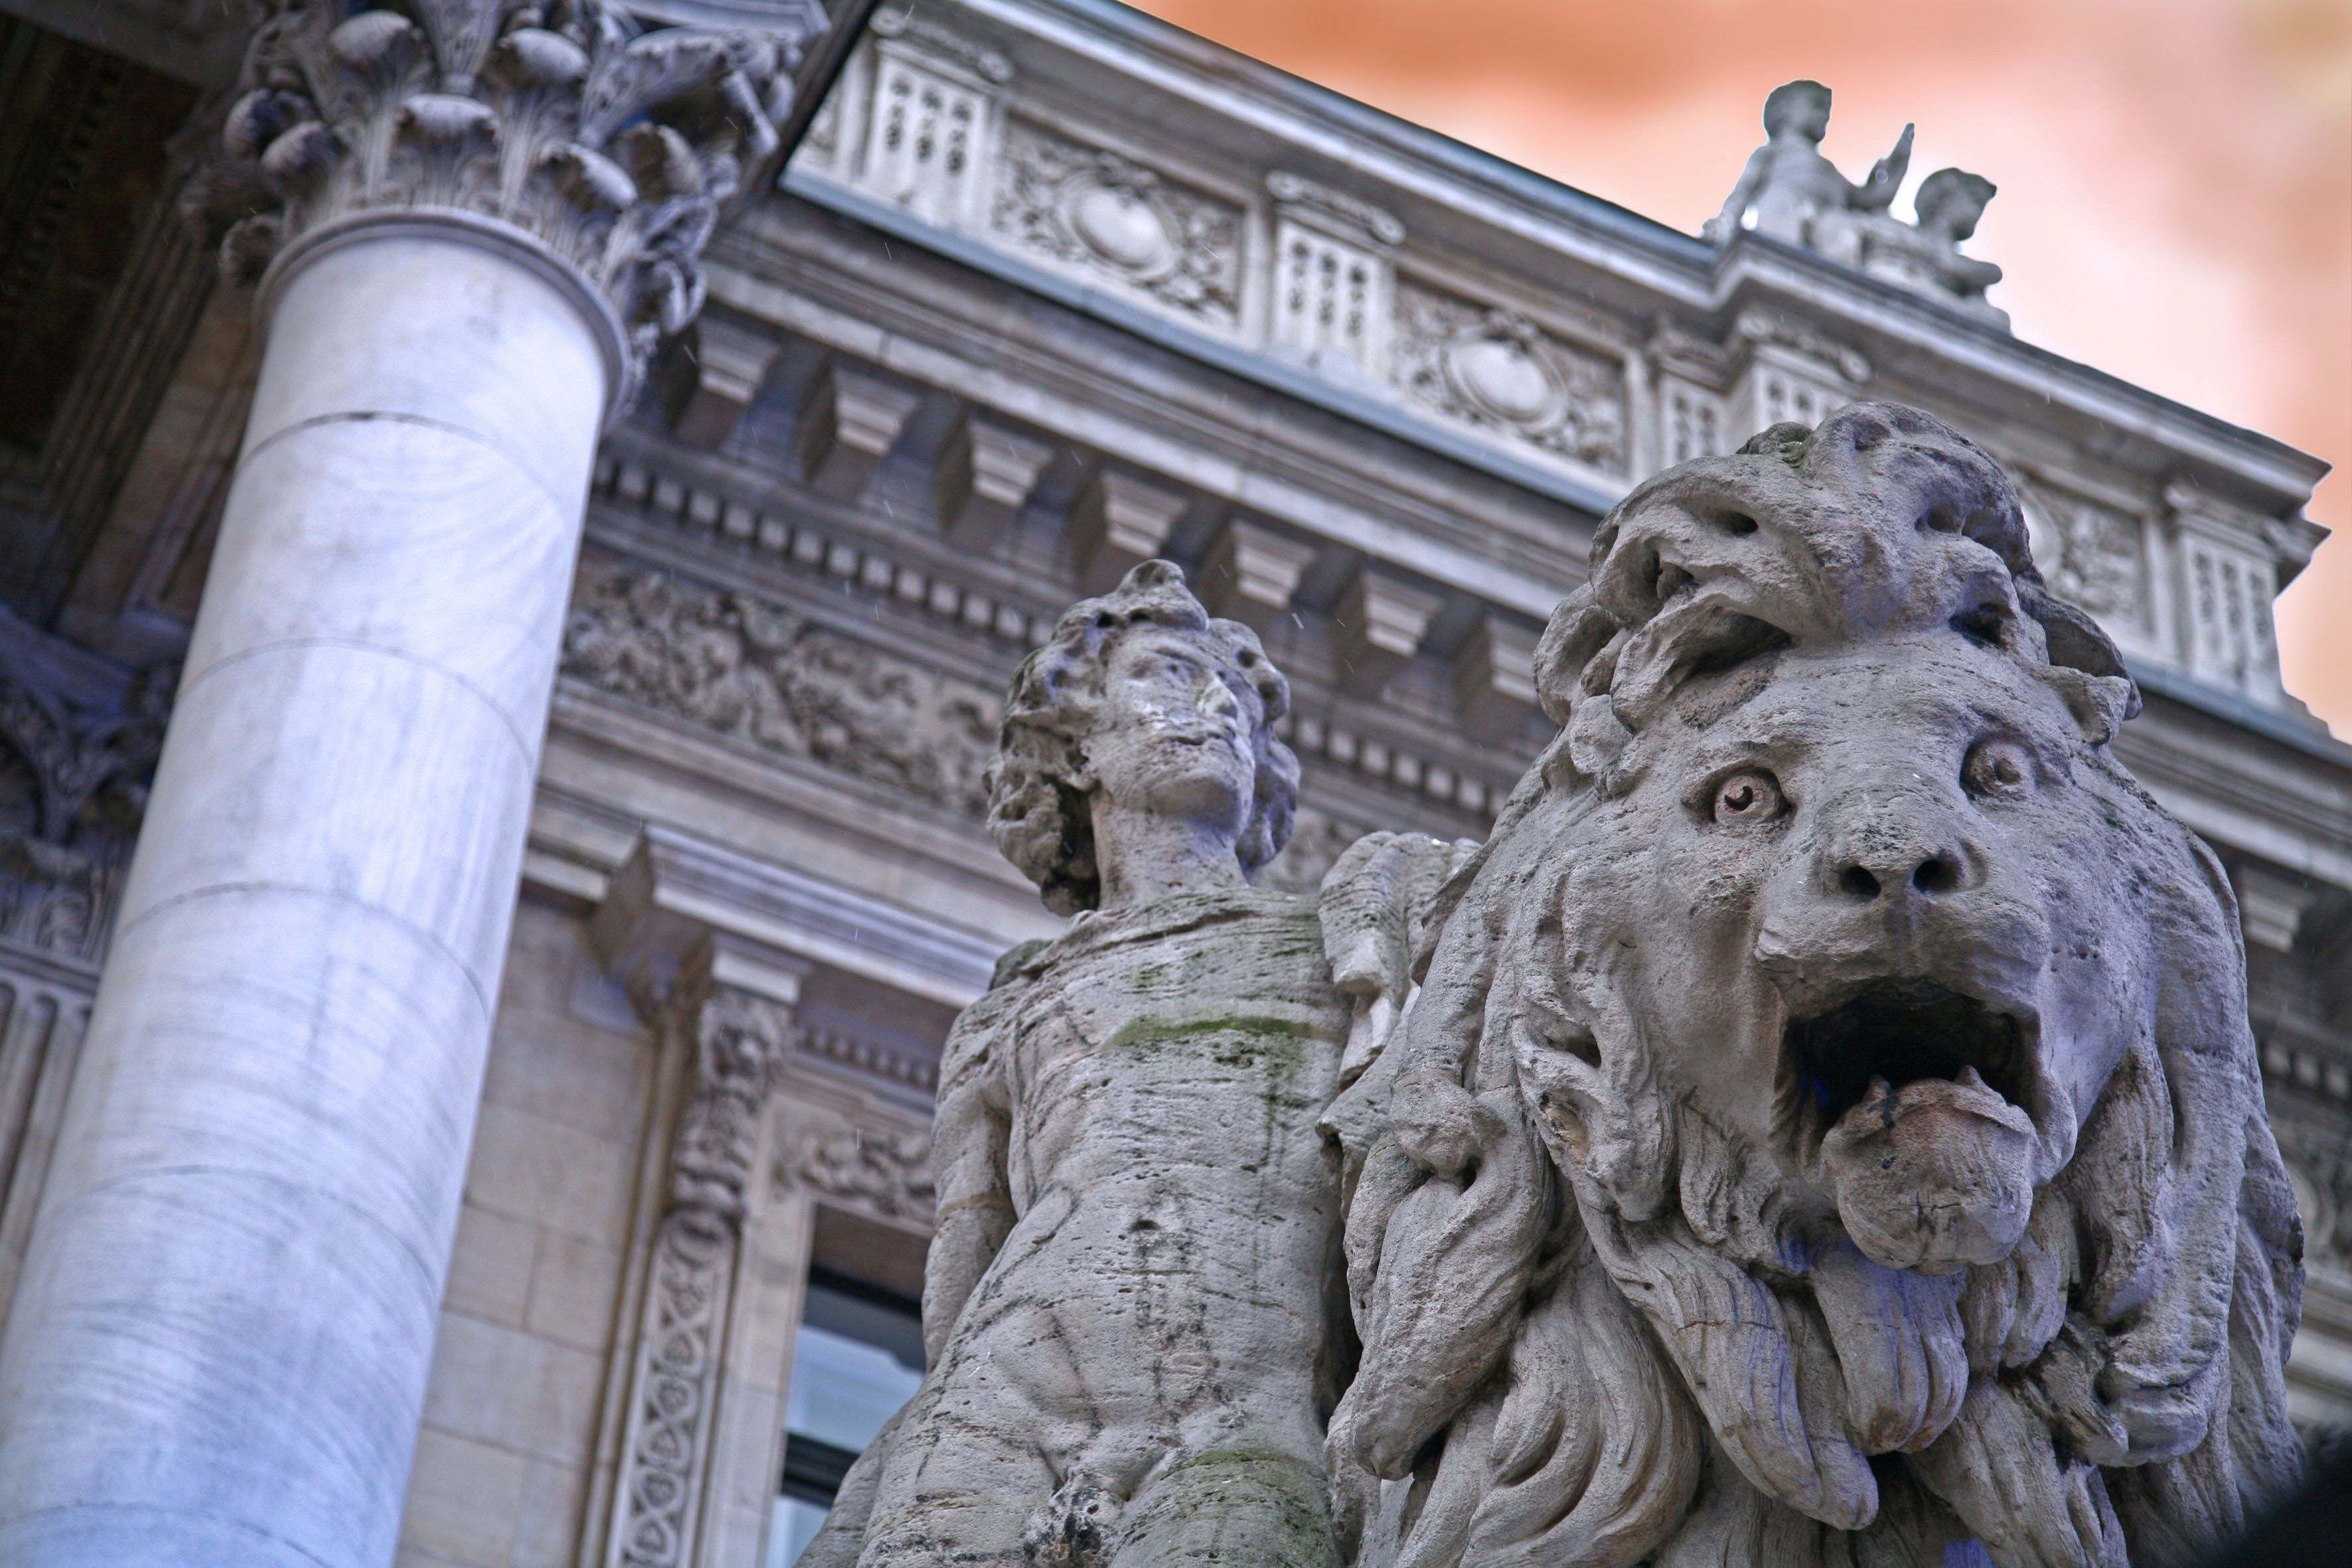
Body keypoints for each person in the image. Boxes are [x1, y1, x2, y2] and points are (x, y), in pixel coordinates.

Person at [805, 560, 1354, 1567]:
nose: (1215, 710)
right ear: (1077, 746)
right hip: (998, 1403)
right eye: (1167, 677)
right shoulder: (1009, 1004)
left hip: (1234, 1412)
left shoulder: (1340, 939)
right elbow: (961, 1278)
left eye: (1231, 696)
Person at [1703, 79, 1911, 254]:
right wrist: (1725, 224)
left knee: (1844, 236)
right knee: (1783, 245)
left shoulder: (1827, 169)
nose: (1824, 117)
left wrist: (1899, 161)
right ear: (1785, 109)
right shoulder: (1772, 153)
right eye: (1816, 106)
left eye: (1827, 113)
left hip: (1829, 218)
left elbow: (1871, 199)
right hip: (1784, 212)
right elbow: (1744, 191)